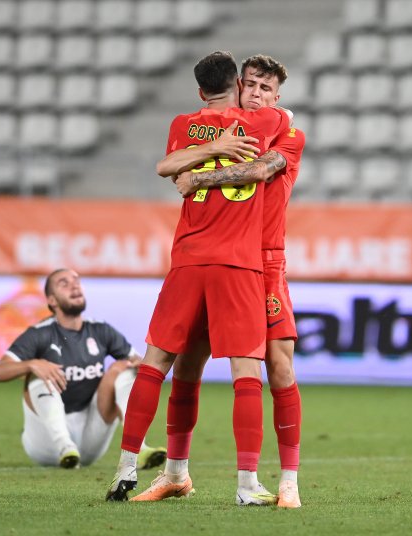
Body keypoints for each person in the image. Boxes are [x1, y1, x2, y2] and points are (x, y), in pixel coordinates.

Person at [105, 51, 290, 503]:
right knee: (246, 369)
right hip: (239, 264)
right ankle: (247, 485)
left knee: (157, 364)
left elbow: (167, 167)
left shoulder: (183, 126)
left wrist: (204, 153)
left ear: (199, 90)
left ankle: (126, 468)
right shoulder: (265, 124)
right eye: (253, 86)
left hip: (187, 259)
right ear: (239, 86)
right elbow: (282, 123)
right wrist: (231, 138)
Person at [166, 54, 305, 508]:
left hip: (265, 261)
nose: (258, 94)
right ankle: (175, 474)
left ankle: (288, 482)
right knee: (188, 364)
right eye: (252, 85)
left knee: (278, 366)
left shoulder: (287, 130)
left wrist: (197, 176)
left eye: (267, 89)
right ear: (238, 86)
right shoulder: (221, 131)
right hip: (220, 260)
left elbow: (260, 170)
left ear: (277, 98)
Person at [0, 268, 167, 470]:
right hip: (45, 445)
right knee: (38, 374)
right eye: (63, 283)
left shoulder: (101, 330)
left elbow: (141, 363)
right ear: (52, 301)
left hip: (89, 439)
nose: (74, 285)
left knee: (123, 368)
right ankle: (64, 445)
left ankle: (138, 449)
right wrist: (32, 363)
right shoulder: (39, 334)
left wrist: (139, 365)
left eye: (76, 280)